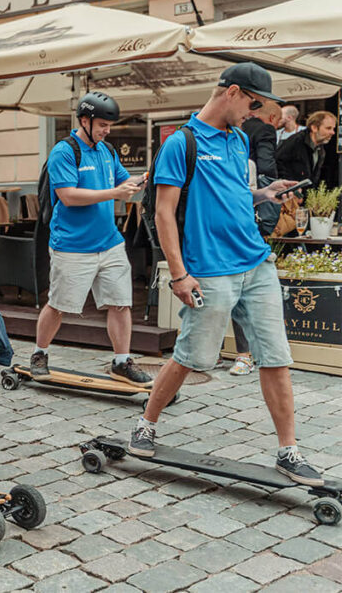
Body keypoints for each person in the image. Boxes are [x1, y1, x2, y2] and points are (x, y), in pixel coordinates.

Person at [128, 62, 322, 487]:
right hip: (211, 271)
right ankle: (146, 422)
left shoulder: (237, 140)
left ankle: (288, 450)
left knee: (276, 357)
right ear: (232, 92)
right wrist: (179, 275)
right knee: (190, 357)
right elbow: (163, 213)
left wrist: (261, 194)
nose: (254, 112)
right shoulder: (182, 142)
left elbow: (231, 193)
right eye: (253, 103)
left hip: (256, 264)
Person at [30, 92, 150, 385]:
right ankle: (39, 353)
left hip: (109, 243)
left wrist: (146, 177)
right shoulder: (64, 152)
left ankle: (121, 361)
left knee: (121, 303)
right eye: (102, 125)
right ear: (84, 120)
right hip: (72, 246)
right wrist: (114, 193)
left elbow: (123, 182)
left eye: (110, 125)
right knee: (58, 305)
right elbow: (68, 196)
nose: (107, 130)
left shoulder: (107, 151)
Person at [232, 101, 282, 376]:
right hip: (216, 239)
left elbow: (246, 198)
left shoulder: (248, 163)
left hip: (247, 234)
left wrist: (266, 193)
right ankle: (239, 353)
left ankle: (248, 354)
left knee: (246, 295)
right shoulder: (200, 151)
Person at [276, 110, 335, 188]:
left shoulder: (320, 148)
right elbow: (277, 162)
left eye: (333, 128)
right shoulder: (296, 141)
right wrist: (290, 188)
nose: (333, 132)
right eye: (328, 128)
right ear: (314, 128)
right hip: (291, 193)